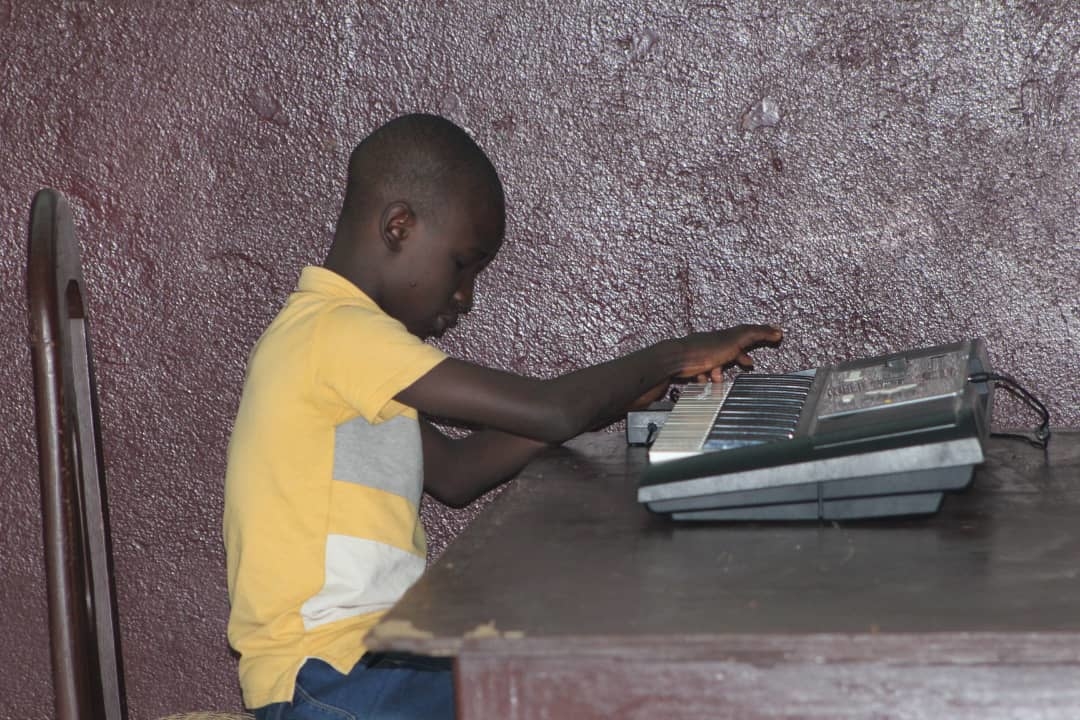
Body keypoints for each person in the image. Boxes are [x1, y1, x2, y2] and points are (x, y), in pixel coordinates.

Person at [223, 112, 783, 720]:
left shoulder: (334, 344)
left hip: (370, 660)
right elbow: (549, 410)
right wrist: (674, 354)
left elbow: (458, 472)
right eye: (463, 265)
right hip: (328, 678)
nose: (465, 297)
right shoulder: (335, 332)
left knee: (563, 669)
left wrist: (619, 400)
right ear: (398, 227)